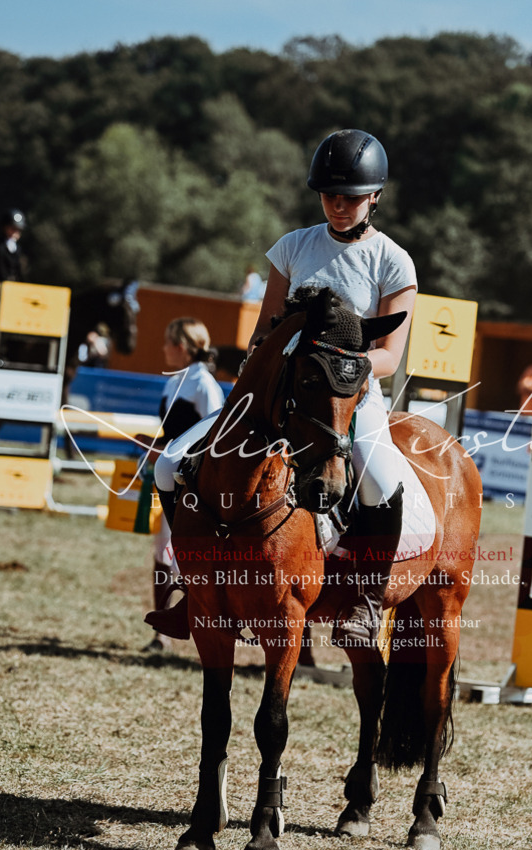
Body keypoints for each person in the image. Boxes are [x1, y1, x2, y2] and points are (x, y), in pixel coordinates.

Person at [247, 128, 417, 646]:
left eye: (350, 197)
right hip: (282, 391)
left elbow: (389, 356)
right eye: (329, 196)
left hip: (350, 397)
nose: (338, 206)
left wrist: (336, 372)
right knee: (178, 464)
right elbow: (265, 331)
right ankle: (199, 587)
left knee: (380, 480)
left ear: (375, 197)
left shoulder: (393, 261)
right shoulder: (292, 246)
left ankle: (366, 601)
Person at [139, 318, 225, 648]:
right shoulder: (174, 381)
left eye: (167, 343)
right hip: (170, 481)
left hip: (194, 486)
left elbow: (214, 439)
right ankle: (162, 632)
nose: (163, 349)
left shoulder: (204, 385)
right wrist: (154, 444)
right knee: (162, 552)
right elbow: (174, 434)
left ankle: (209, 632)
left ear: (180, 347)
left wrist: (163, 451)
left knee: (186, 558)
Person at [0, 209, 27, 282]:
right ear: (5, 227)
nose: (15, 232)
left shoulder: (18, 249)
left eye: (19, 230)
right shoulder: (0, 247)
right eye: (13, 229)